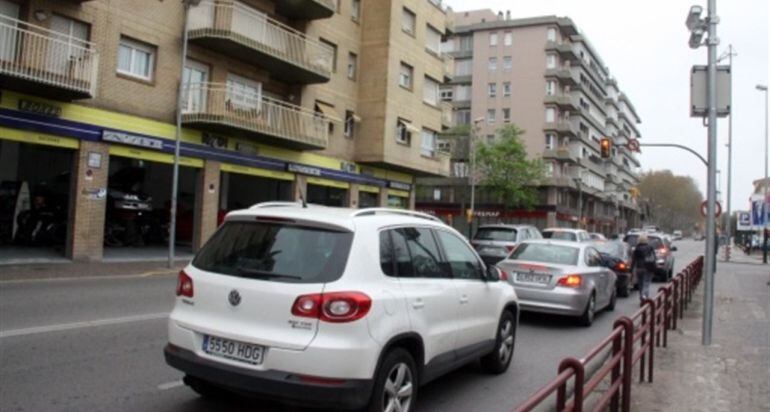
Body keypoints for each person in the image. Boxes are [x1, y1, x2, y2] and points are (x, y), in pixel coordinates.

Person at [632, 233, 656, 303]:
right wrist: (654, 268)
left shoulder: (636, 249)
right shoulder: (650, 248)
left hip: (639, 268)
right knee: (646, 283)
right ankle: (644, 296)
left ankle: (641, 298)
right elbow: (654, 258)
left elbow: (634, 260)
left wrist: (631, 270)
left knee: (640, 284)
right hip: (648, 268)